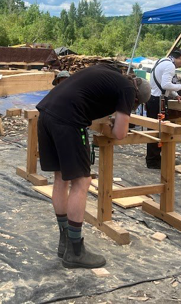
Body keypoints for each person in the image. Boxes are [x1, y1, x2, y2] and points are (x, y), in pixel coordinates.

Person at [36, 64, 151, 268]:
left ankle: (65, 242)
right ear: (136, 98)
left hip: (47, 113)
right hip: (68, 120)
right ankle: (75, 251)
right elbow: (120, 133)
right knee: (82, 181)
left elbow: (90, 98)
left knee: (61, 177)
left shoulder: (110, 75)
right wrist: (118, 122)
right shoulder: (128, 90)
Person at [144, 49, 181, 169]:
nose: (180, 66)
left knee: (154, 129)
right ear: (180, 57)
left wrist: (175, 94)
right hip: (158, 101)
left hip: (153, 98)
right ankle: (154, 161)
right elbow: (165, 85)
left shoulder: (162, 61)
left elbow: (162, 84)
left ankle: (154, 159)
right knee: (159, 130)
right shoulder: (170, 66)